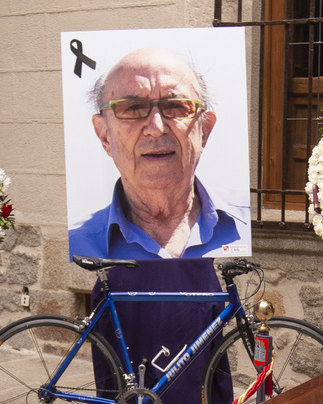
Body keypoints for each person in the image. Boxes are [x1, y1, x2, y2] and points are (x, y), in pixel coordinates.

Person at [69, 47, 250, 259]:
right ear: (104, 135)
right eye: (133, 108)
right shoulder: (78, 245)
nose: (156, 128)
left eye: (175, 107)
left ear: (205, 131)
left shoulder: (248, 222)